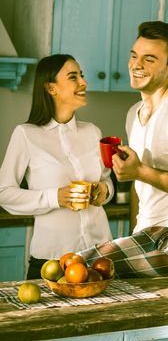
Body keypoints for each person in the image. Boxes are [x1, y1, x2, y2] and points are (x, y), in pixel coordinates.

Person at [78, 21, 168, 278]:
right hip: (148, 234)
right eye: (134, 55)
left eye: (150, 59)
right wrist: (134, 234)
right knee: (75, 265)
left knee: (81, 267)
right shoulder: (134, 114)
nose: (136, 65)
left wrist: (140, 171)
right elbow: (138, 187)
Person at [0, 54, 114, 279]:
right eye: (73, 77)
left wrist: (105, 191)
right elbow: (4, 193)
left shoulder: (92, 132)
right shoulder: (26, 135)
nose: (83, 82)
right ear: (51, 88)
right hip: (52, 263)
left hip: (99, 259)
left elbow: (106, 180)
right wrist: (56, 198)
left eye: (82, 75)